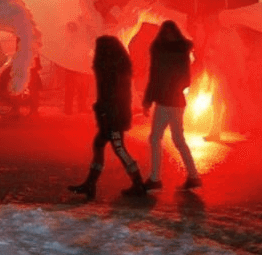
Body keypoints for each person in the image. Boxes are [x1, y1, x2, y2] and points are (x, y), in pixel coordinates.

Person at [68, 35, 146, 199]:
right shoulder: (115, 67)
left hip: (113, 117)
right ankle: (91, 184)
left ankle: (138, 182)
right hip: (112, 115)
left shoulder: (111, 69)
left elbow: (113, 95)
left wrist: (104, 110)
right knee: (100, 145)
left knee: (119, 148)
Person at [141, 20, 201, 191]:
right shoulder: (182, 51)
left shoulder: (159, 51)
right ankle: (193, 176)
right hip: (177, 101)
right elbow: (186, 80)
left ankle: (155, 179)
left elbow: (155, 77)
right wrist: (174, 89)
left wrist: (149, 100)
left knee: (155, 138)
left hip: (165, 102)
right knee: (178, 139)